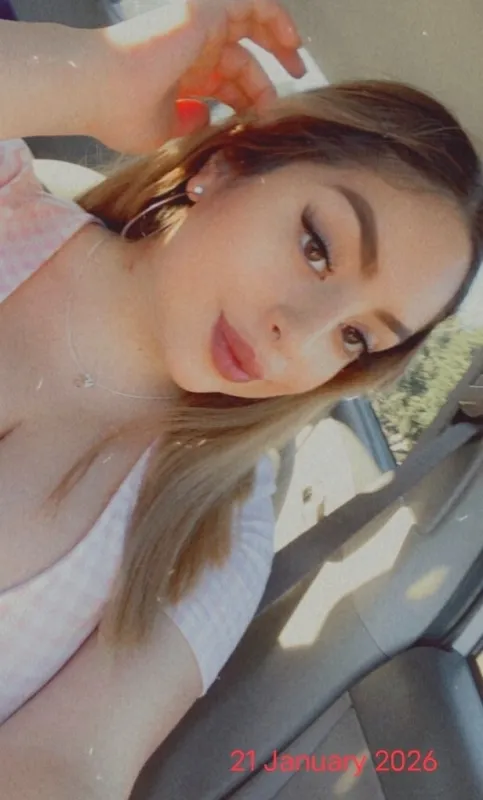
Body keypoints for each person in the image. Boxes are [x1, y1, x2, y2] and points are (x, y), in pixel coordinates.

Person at [0, 1, 481, 798]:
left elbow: (67, 767)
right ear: (224, 166)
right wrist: (104, 73)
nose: (300, 334)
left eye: (356, 336)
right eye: (317, 246)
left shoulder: (212, 535)